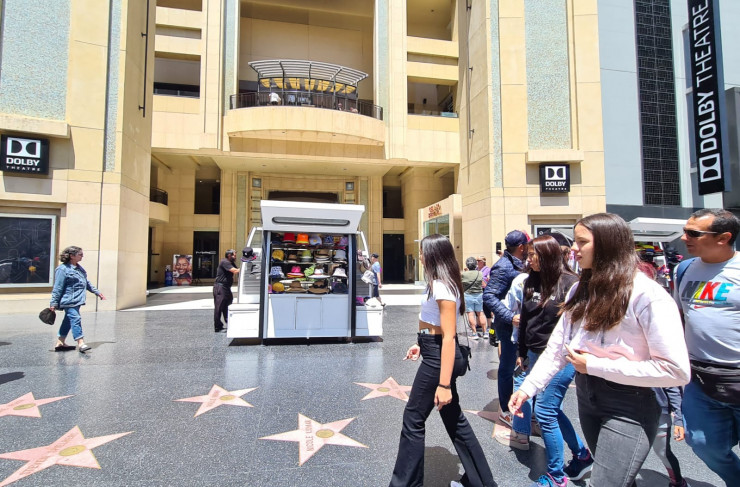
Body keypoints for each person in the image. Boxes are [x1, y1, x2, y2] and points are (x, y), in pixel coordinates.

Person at [509, 213, 691, 487]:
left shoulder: (648, 295)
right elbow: (558, 348)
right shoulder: (579, 290)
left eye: (582, 242)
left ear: (608, 244)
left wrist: (595, 365)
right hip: (589, 397)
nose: (573, 248)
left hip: (630, 404)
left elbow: (675, 370)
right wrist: (527, 389)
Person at [389, 234, 495, 487]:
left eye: (423, 252)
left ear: (434, 255)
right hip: (433, 349)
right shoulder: (439, 283)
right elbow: (433, 323)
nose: (420, 257)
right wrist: (420, 343)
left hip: (439, 356)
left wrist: (444, 385)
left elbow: (448, 337)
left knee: (413, 418)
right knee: (453, 417)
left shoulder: (443, 286)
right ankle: (481, 481)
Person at [495, 236, 592, 487]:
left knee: (545, 412)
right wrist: (522, 352)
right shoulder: (530, 281)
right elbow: (526, 318)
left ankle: (556, 475)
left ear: (547, 255)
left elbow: (581, 327)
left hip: (562, 359)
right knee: (552, 410)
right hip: (535, 355)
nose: (528, 260)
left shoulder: (572, 284)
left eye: (532, 255)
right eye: (527, 255)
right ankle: (581, 454)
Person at [674, 208, 740, 485]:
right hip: (700, 379)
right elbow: (679, 318)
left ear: (724, 238)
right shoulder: (683, 269)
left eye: (693, 233)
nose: (684, 237)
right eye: (685, 231)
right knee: (702, 443)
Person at [482, 229, 530, 426]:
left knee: (521, 366)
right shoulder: (504, 266)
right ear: (521, 247)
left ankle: (522, 406)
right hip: (509, 326)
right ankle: (505, 409)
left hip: (522, 326)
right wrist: (510, 317)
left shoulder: (520, 263)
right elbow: (489, 296)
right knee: (508, 367)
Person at [49, 246, 106, 353]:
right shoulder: (62, 269)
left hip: (78, 300)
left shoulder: (79, 268)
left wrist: (97, 292)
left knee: (68, 321)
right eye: (80, 254)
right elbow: (57, 287)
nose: (82, 256)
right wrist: (53, 303)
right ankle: (81, 342)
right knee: (76, 318)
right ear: (72, 256)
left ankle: (60, 342)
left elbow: (86, 282)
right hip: (69, 300)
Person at [213, 249, 240, 333]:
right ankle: (218, 327)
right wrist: (246, 266)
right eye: (234, 255)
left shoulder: (231, 263)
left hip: (226, 287)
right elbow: (235, 271)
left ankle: (229, 323)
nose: (235, 257)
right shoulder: (224, 262)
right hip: (220, 287)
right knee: (219, 307)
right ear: (229, 255)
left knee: (228, 305)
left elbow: (237, 270)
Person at [462, 257, 485, 340]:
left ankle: (474, 333)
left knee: (470, 314)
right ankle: (485, 332)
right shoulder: (480, 273)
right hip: (479, 295)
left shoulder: (463, 274)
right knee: (481, 313)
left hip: (468, 295)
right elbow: (483, 284)